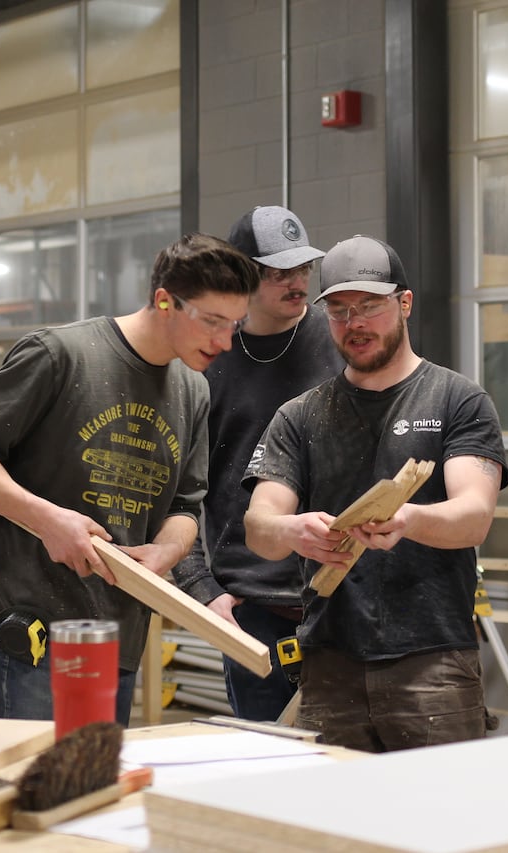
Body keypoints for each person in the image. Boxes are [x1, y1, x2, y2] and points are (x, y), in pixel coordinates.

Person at [0, 233, 259, 726]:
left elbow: (186, 507)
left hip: (120, 636)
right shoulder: (61, 354)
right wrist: (46, 520)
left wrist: (164, 553)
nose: (224, 342)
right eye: (212, 322)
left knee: (95, 790)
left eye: (234, 325)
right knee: (35, 789)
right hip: (36, 634)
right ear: (165, 300)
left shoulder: (192, 390)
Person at [243, 235, 508, 752]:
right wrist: (291, 530)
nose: (354, 324)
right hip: (329, 665)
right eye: (339, 311)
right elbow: (259, 527)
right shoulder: (300, 417)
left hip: (433, 664)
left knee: (441, 822)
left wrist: (408, 520)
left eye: (369, 307)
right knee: (334, 825)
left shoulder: (458, 400)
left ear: (404, 304)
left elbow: (474, 515)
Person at [174, 205, 344, 722]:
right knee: (267, 767)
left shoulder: (341, 339)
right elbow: (175, 488)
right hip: (255, 606)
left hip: (347, 591)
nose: (297, 284)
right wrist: (203, 590)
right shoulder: (207, 358)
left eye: (303, 269)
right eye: (278, 273)